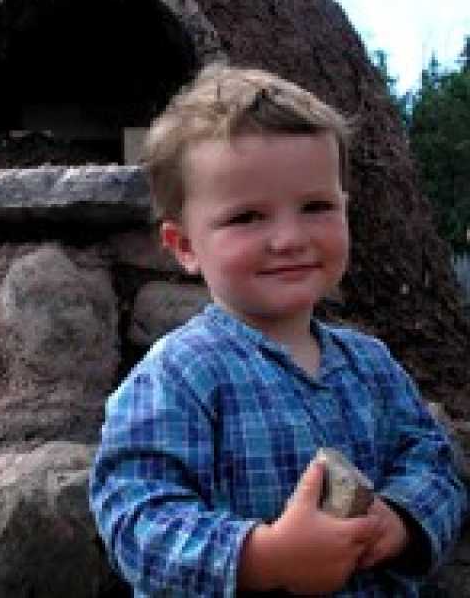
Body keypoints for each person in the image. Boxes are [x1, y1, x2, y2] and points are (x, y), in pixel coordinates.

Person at [89, 65, 467, 596]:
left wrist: (402, 519)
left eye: (316, 207)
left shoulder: (372, 364)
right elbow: (135, 517)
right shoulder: (179, 375)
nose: (289, 238)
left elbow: (433, 460)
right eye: (247, 217)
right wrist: (264, 556)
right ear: (185, 246)